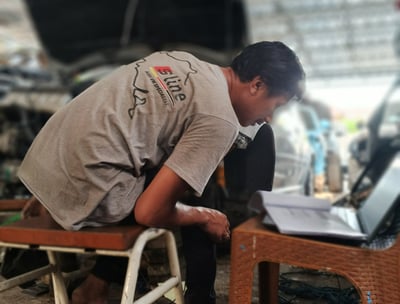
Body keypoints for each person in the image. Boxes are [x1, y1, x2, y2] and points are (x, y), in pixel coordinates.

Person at [18, 41, 305, 304]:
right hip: (84, 191)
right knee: (199, 192)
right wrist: (205, 216)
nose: (269, 118)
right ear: (256, 84)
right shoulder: (220, 120)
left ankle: (96, 281)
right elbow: (149, 212)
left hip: (43, 165)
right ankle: (200, 298)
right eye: (275, 106)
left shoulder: (180, 60)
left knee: (176, 169)